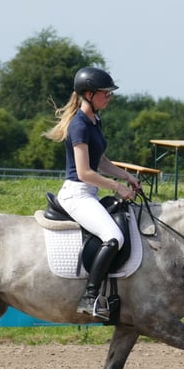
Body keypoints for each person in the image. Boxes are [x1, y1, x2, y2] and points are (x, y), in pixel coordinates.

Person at [45, 67, 142, 319]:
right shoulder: (78, 124)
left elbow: (101, 161)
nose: (109, 97)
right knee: (113, 237)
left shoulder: (95, 120)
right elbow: (85, 171)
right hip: (76, 194)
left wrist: (127, 176)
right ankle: (89, 297)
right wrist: (118, 187)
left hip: (88, 192)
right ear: (88, 94)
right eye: (105, 93)